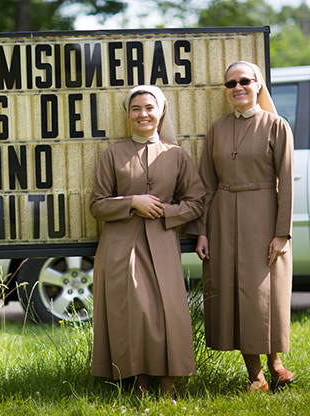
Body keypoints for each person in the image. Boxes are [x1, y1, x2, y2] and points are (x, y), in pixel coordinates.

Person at [185, 61, 295, 392]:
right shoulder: (217, 129)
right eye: (231, 83)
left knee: (263, 294)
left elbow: (287, 182)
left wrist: (281, 233)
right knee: (233, 294)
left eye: (244, 81)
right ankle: (256, 376)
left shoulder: (276, 125)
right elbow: (205, 182)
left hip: (263, 215)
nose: (238, 88)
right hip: (222, 219)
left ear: (258, 85)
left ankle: (275, 363)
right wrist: (201, 229)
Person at [89, 85, 204, 396]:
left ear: (161, 111)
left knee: (169, 312)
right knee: (133, 312)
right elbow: (97, 205)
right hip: (120, 246)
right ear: (128, 115)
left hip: (162, 241)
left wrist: (165, 210)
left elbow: (196, 202)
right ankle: (138, 383)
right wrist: (131, 202)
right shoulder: (113, 154)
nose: (143, 114)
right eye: (136, 108)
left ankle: (168, 386)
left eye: (149, 108)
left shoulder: (177, 155)